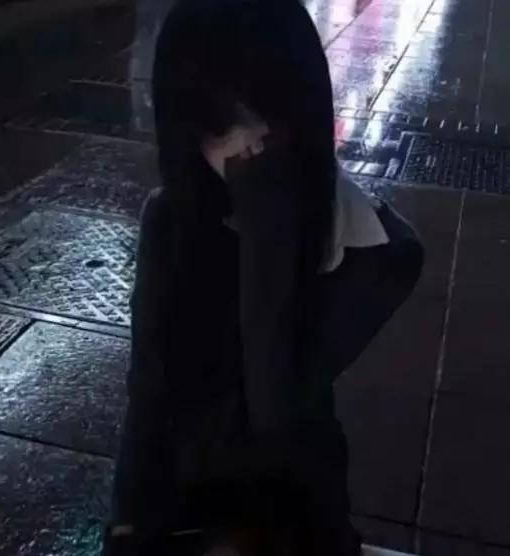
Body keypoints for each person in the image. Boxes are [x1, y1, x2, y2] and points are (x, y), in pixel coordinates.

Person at [103, 0, 424, 555]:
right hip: (182, 511)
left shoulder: (377, 249)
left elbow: (276, 407)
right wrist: (127, 529)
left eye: (265, 114)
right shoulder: (172, 219)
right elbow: (149, 394)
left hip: (293, 514)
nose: (245, 144)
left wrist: (265, 224)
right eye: (218, 125)